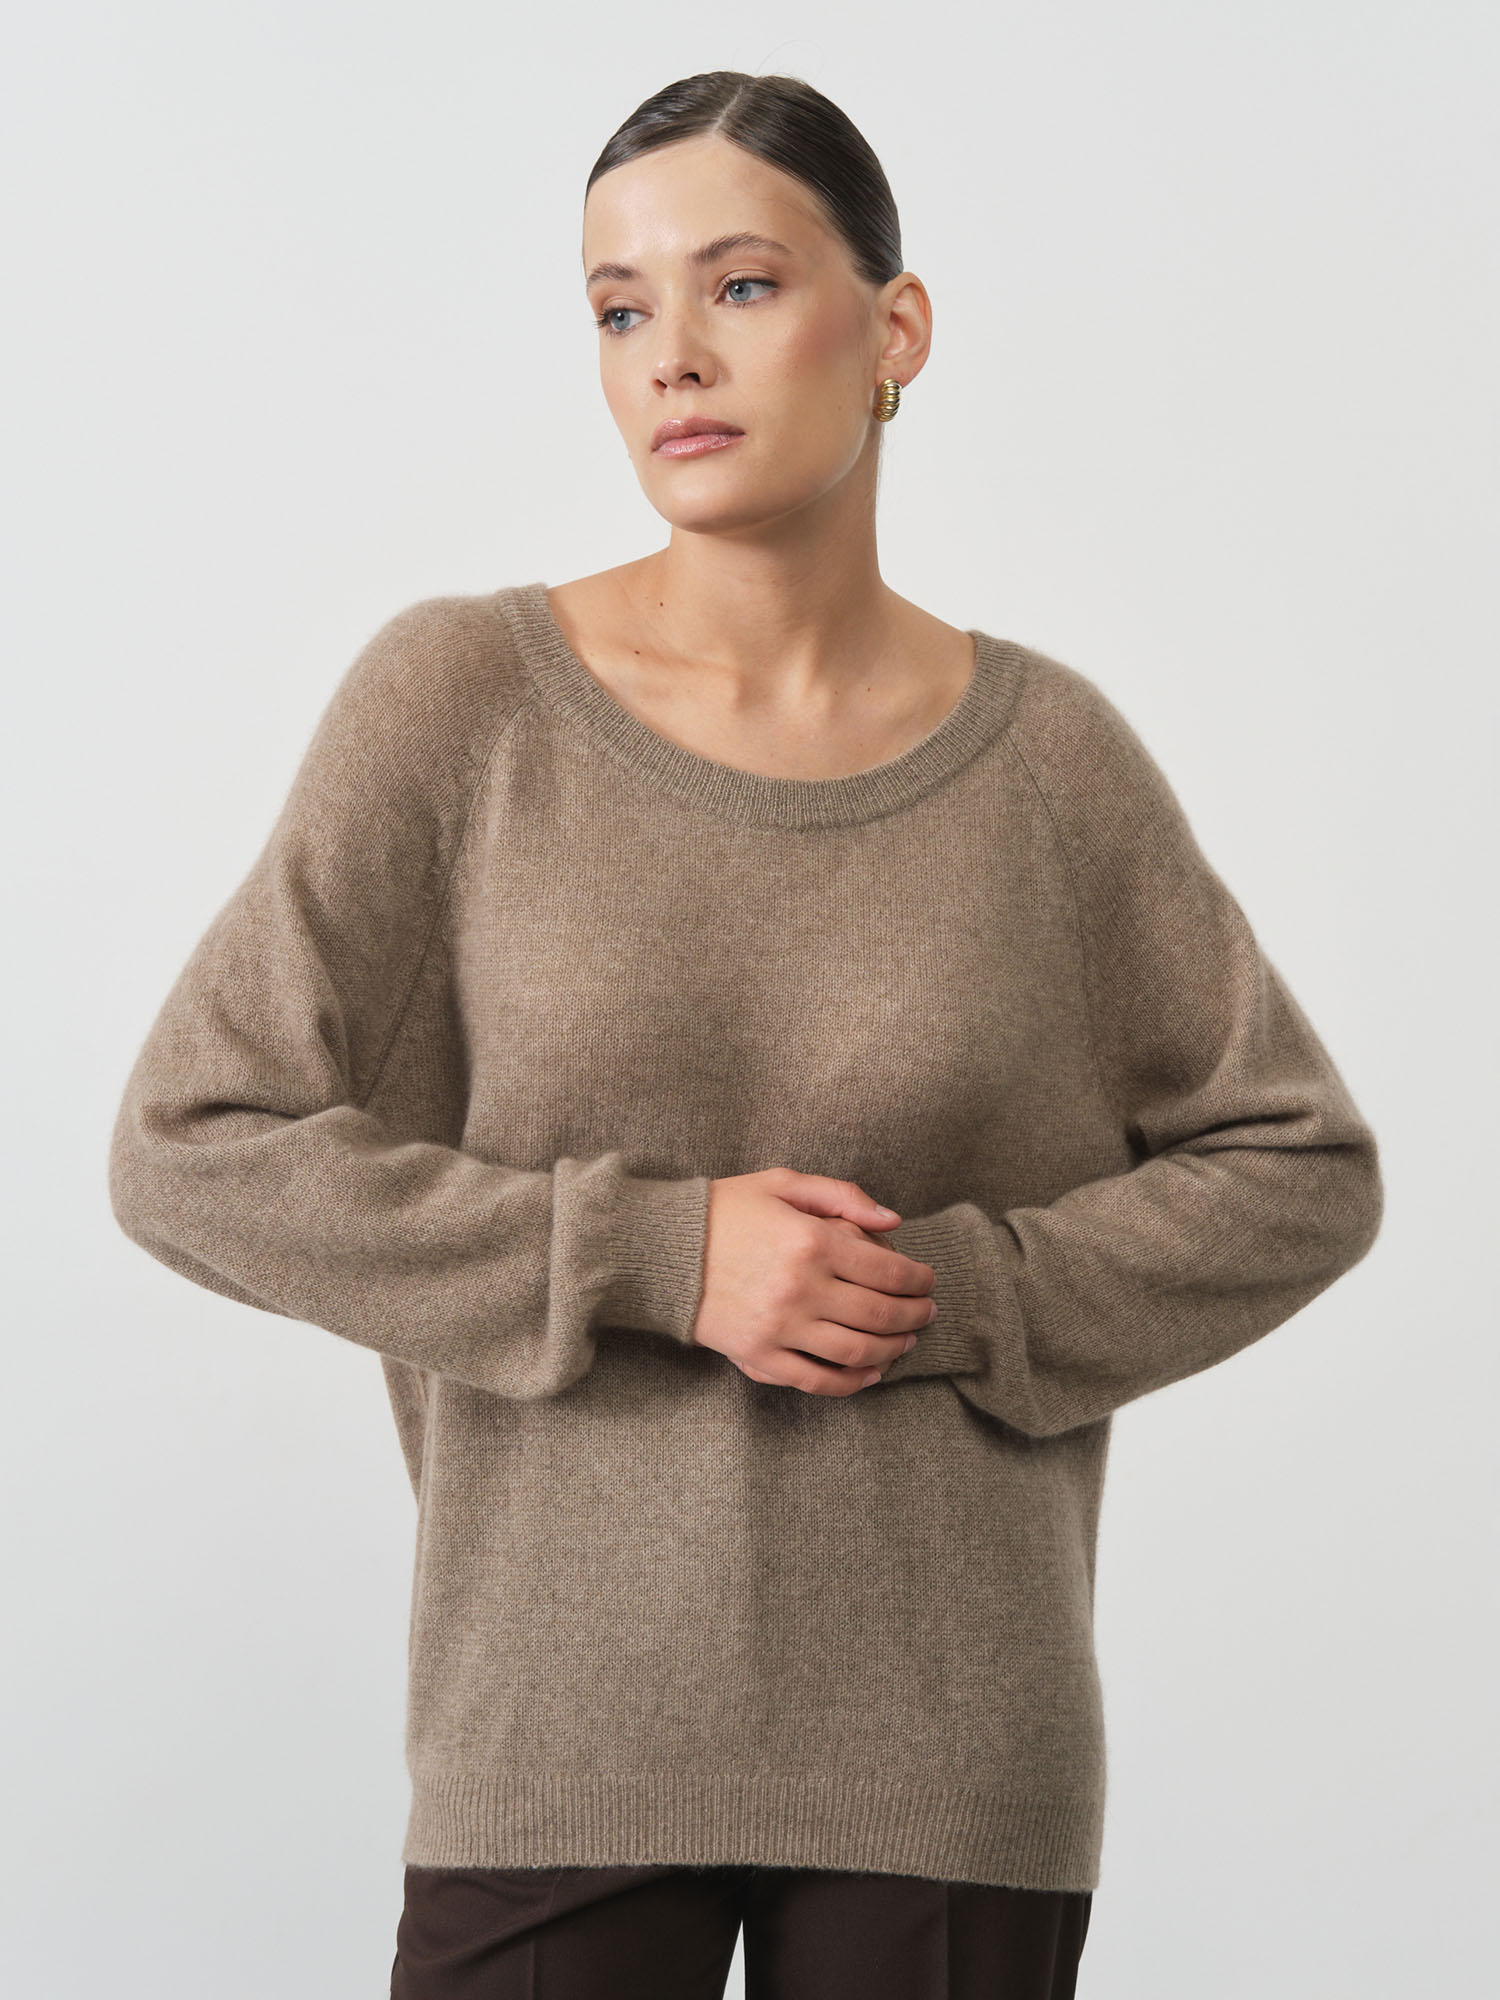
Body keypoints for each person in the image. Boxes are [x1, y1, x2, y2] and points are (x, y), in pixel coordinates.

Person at [107, 69, 1384, 2000]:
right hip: (555, 1733)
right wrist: (654, 1255)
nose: (671, 357)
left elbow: (1299, 1169)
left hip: (948, 1749)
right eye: (619, 308)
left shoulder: (1051, 763)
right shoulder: (463, 704)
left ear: (897, 330)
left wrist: (956, 1296)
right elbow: (192, 1144)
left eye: (743, 285)